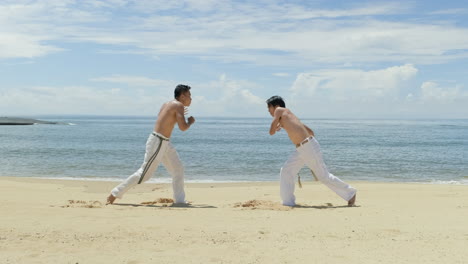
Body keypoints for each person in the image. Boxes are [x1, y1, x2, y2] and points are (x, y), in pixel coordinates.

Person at [106, 84, 195, 205]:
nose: (191, 98)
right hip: (158, 142)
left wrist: (179, 114)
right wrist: (189, 121)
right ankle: (114, 194)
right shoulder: (178, 105)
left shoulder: (167, 104)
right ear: (183, 96)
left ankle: (180, 201)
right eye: (189, 95)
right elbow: (183, 127)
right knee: (144, 174)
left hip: (164, 142)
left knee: (178, 169)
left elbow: (164, 119)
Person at [266, 95, 356, 207]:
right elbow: (310, 131)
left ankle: (350, 193)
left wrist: (276, 125)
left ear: (276, 106)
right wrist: (283, 125)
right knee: (286, 171)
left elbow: (271, 132)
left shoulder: (279, 110)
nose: (268, 111)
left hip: (307, 146)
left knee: (323, 176)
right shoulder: (288, 116)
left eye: (269, 108)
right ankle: (288, 202)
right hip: (303, 148)